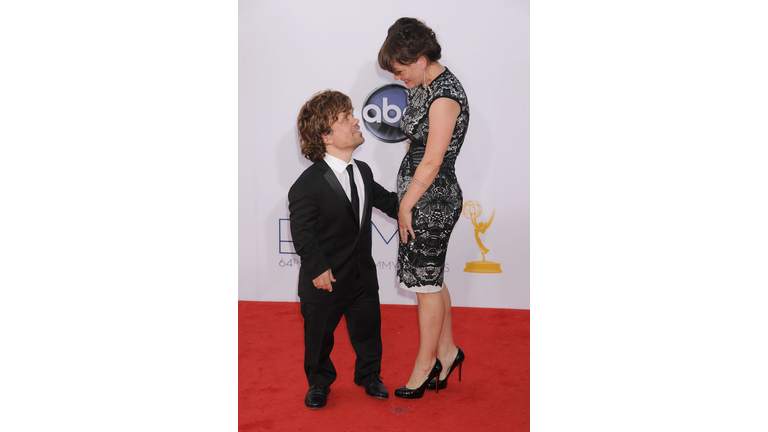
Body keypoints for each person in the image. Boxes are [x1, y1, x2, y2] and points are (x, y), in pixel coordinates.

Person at [288, 90, 399, 409]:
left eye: (352, 114)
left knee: (369, 332)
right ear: (325, 135)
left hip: (363, 275)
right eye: (345, 118)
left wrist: (420, 196)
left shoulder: (363, 172)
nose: (356, 121)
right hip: (325, 278)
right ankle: (319, 382)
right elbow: (302, 233)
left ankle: (369, 374)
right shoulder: (306, 185)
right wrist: (318, 268)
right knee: (319, 338)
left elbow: (390, 203)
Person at [378, 17, 468, 399]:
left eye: (400, 71)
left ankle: (425, 365)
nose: (399, 79)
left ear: (420, 58)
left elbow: (431, 162)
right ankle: (447, 353)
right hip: (421, 198)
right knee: (430, 281)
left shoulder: (445, 94)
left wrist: (405, 206)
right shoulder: (425, 83)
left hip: (432, 202)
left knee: (425, 286)